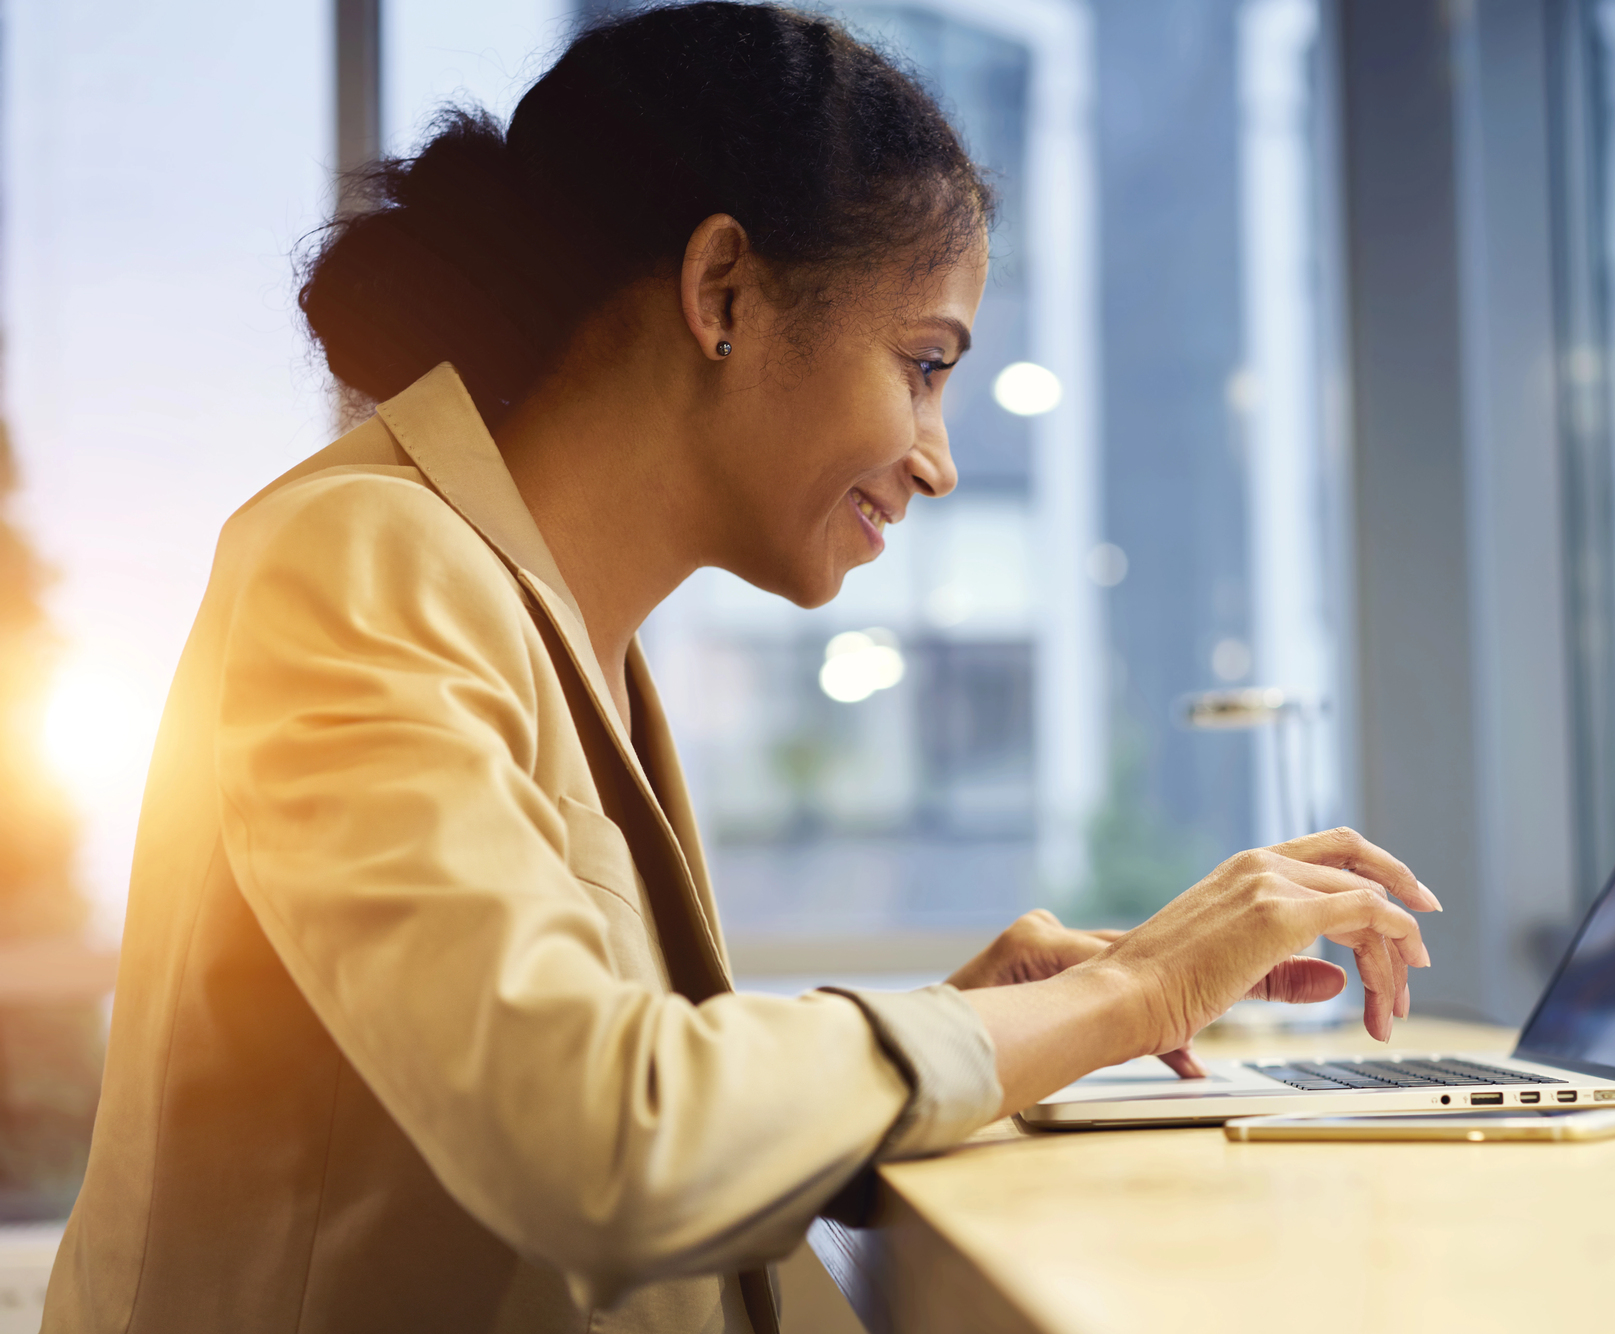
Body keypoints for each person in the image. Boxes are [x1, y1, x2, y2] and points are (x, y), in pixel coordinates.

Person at [42, 4, 1439, 1332]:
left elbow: (621, 1096)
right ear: (723, 290)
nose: (941, 460)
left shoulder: (559, 626)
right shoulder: (355, 558)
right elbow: (598, 1140)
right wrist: (1131, 994)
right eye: (925, 360)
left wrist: (976, 1021)